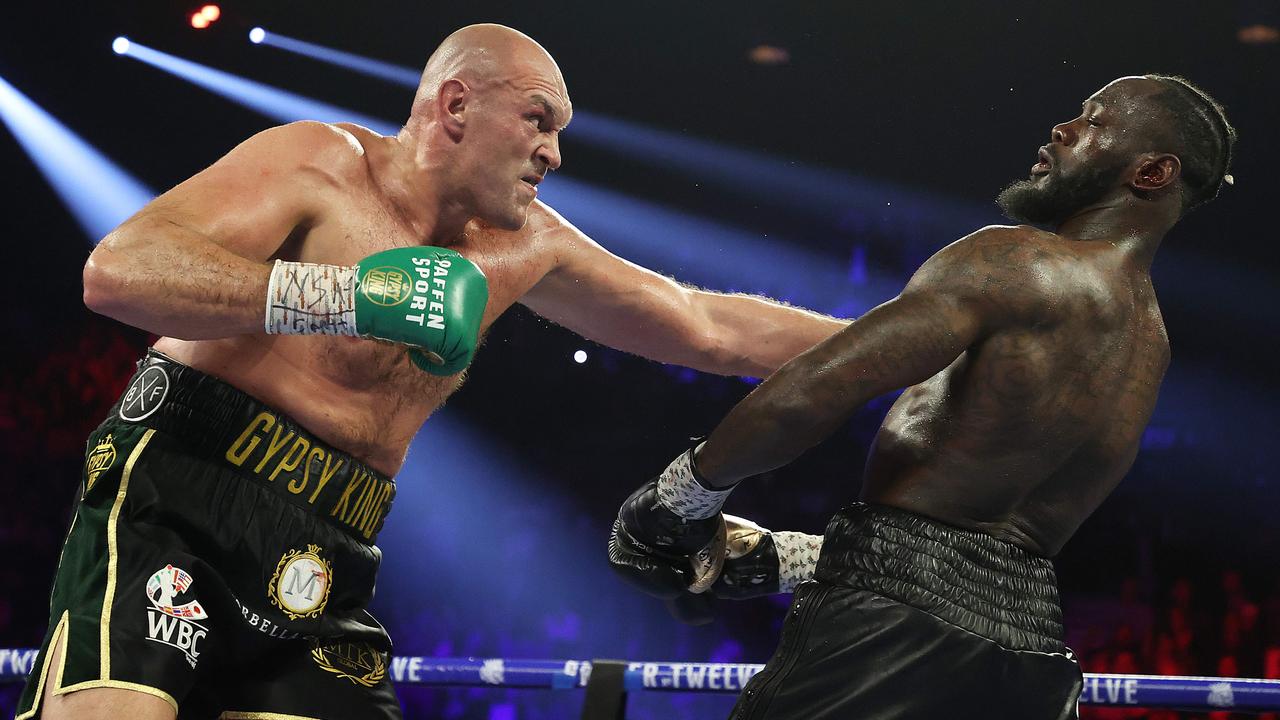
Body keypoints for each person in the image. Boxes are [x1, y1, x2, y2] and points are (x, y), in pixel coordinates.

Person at [17, 23, 847, 720]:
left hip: (331, 541)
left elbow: (710, 326)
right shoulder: (322, 165)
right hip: (181, 491)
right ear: (456, 104)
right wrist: (349, 297)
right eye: (537, 120)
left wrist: (916, 342)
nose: (553, 153)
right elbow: (119, 272)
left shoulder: (528, 246)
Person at [610, 74, 1236, 719]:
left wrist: (680, 499)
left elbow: (814, 389)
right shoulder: (1147, 340)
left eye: (1096, 122)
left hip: (888, 636)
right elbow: (982, 538)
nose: (1063, 128)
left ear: (1154, 172)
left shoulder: (1017, 261)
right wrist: (800, 558)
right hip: (1030, 659)